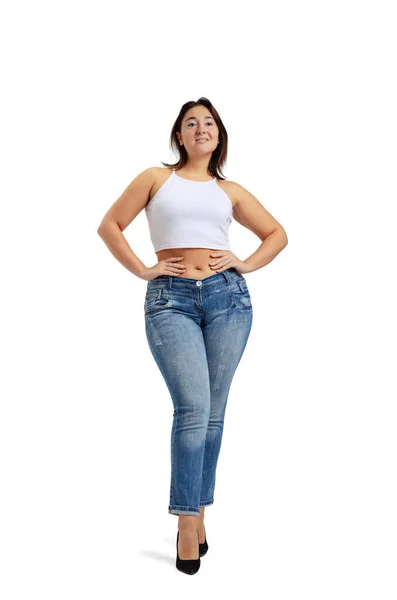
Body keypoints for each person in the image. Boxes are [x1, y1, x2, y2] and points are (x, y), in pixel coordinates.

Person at [97, 97, 288, 574]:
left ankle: (198, 511)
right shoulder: (154, 179)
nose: (200, 128)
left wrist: (244, 263)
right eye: (190, 123)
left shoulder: (231, 190)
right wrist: (144, 269)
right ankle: (187, 519)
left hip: (229, 300)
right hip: (170, 300)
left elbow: (277, 234)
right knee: (194, 408)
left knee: (215, 414)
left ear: (219, 136)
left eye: (209, 123)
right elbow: (110, 226)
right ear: (178, 136)